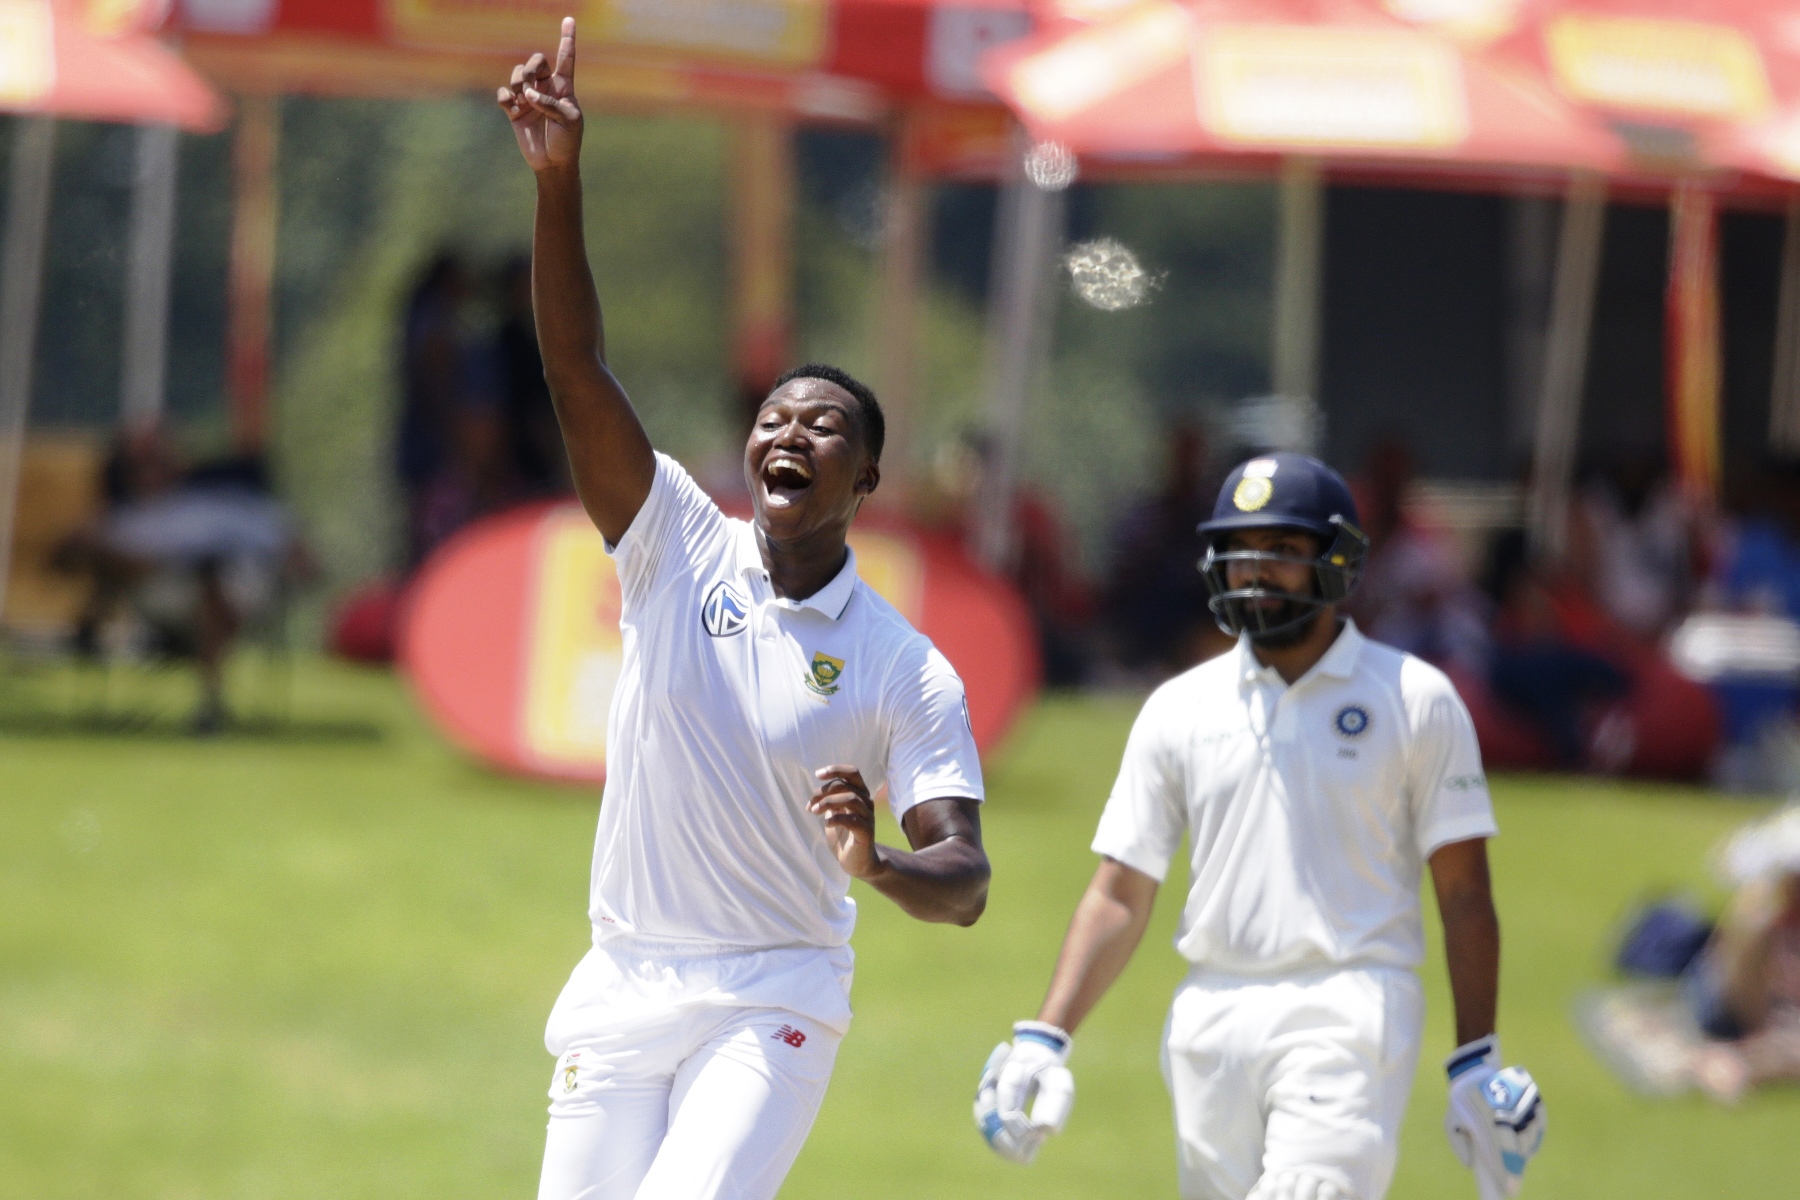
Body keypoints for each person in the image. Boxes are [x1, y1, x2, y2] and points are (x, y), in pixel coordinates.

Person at [497, 23, 991, 1200]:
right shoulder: (673, 540)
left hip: (774, 994)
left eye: (827, 427)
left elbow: (964, 877)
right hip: (625, 982)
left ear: (865, 483)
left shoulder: (902, 668)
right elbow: (577, 370)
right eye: (776, 417)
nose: (791, 433)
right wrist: (558, 180)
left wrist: (874, 865)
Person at [973, 453, 1544, 1200]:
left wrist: (1477, 1056)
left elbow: (1465, 893)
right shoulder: (1179, 708)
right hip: (1210, 1021)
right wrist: (1045, 1036)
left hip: (1350, 1006)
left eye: (1282, 552)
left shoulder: (1415, 700)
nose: (1255, 572)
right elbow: (1121, 891)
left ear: (1336, 561)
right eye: (1240, 554)